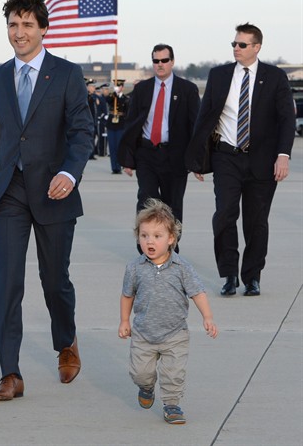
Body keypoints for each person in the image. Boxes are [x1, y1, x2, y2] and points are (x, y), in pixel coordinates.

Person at [0, 0, 93, 401]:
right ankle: (10, 372)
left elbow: (83, 132)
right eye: (13, 24)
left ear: (44, 29)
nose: (19, 32)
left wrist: (70, 172)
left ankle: (66, 341)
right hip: (9, 190)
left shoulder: (66, 74)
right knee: (8, 283)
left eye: (28, 24)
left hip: (54, 189)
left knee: (54, 280)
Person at [185, 23, 295, 297]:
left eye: (242, 44)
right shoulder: (219, 75)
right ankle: (229, 274)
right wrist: (198, 158)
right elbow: (204, 117)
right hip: (226, 157)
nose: (236, 48)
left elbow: (286, 119)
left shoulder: (275, 77)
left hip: (263, 160)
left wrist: (283, 155)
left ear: (257, 47)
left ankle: (252, 275)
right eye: (234, 44)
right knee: (224, 215)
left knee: (256, 221)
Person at [118, 198, 218, 425]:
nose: (149, 241)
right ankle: (146, 386)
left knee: (174, 373)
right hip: (144, 333)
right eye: (144, 236)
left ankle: (172, 405)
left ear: (171, 238)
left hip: (175, 334)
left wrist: (207, 317)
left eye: (157, 236)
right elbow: (127, 295)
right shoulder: (134, 268)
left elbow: (197, 293)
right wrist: (125, 321)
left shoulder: (182, 267)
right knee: (140, 373)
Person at [119, 44, 201, 248]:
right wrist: (128, 159)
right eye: (156, 61)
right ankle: (145, 246)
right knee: (146, 200)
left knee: (173, 204)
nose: (160, 65)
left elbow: (196, 128)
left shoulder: (187, 90)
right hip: (147, 154)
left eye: (164, 60)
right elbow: (131, 125)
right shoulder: (142, 89)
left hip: (175, 156)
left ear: (172, 62)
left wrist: (198, 161)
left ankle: (171, 246)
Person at [106, 79, 129, 174]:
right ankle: (113, 167)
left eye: (119, 86)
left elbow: (127, 112)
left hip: (120, 124)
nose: (117, 88)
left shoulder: (125, 98)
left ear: (122, 87)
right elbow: (108, 100)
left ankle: (118, 167)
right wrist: (114, 94)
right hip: (111, 124)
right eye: (116, 86)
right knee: (112, 147)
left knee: (119, 147)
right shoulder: (112, 96)